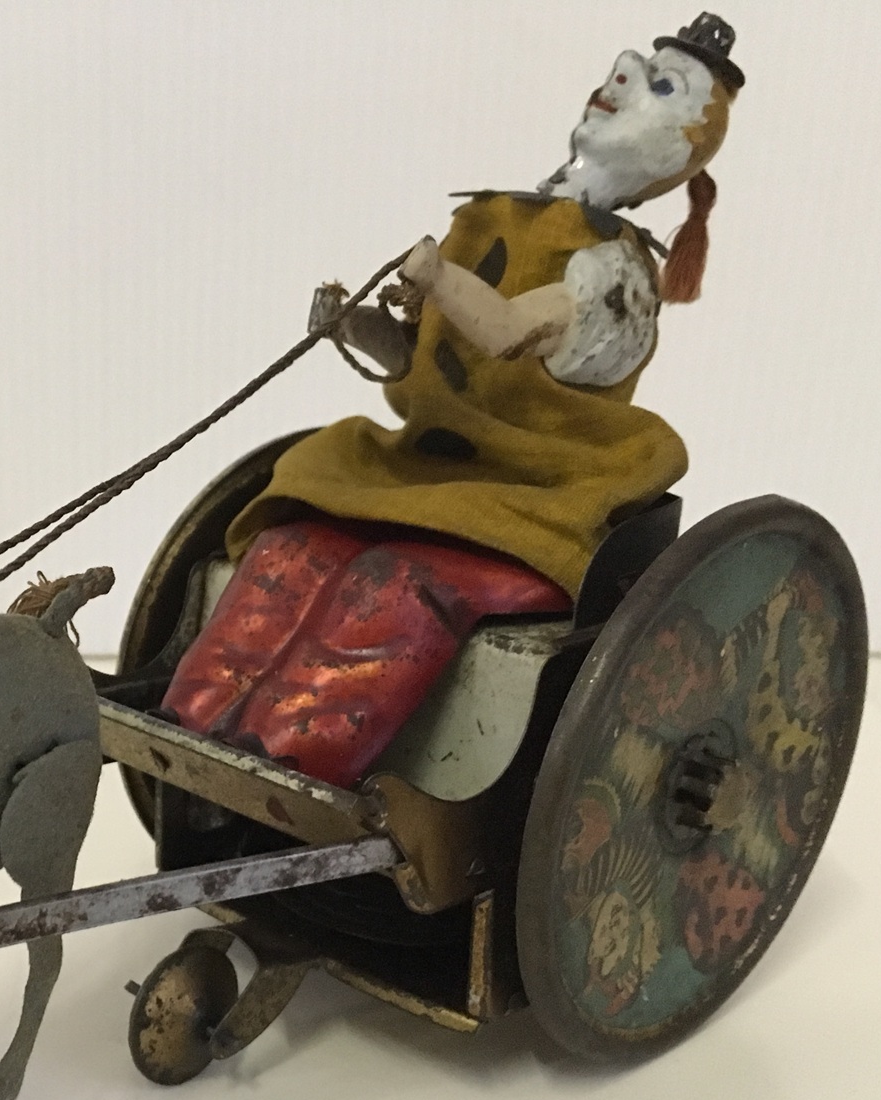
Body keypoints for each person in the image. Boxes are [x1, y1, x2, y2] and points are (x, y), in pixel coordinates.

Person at [161, 14, 745, 790]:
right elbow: (427, 361)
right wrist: (355, 325)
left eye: (659, 86)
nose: (621, 76)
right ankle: (193, 726)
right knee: (290, 550)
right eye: (630, 65)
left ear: (680, 150)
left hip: (532, 500)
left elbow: (504, 333)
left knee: (392, 583)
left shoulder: (616, 273)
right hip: (427, 468)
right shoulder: (497, 220)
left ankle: (291, 762)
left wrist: (439, 279)